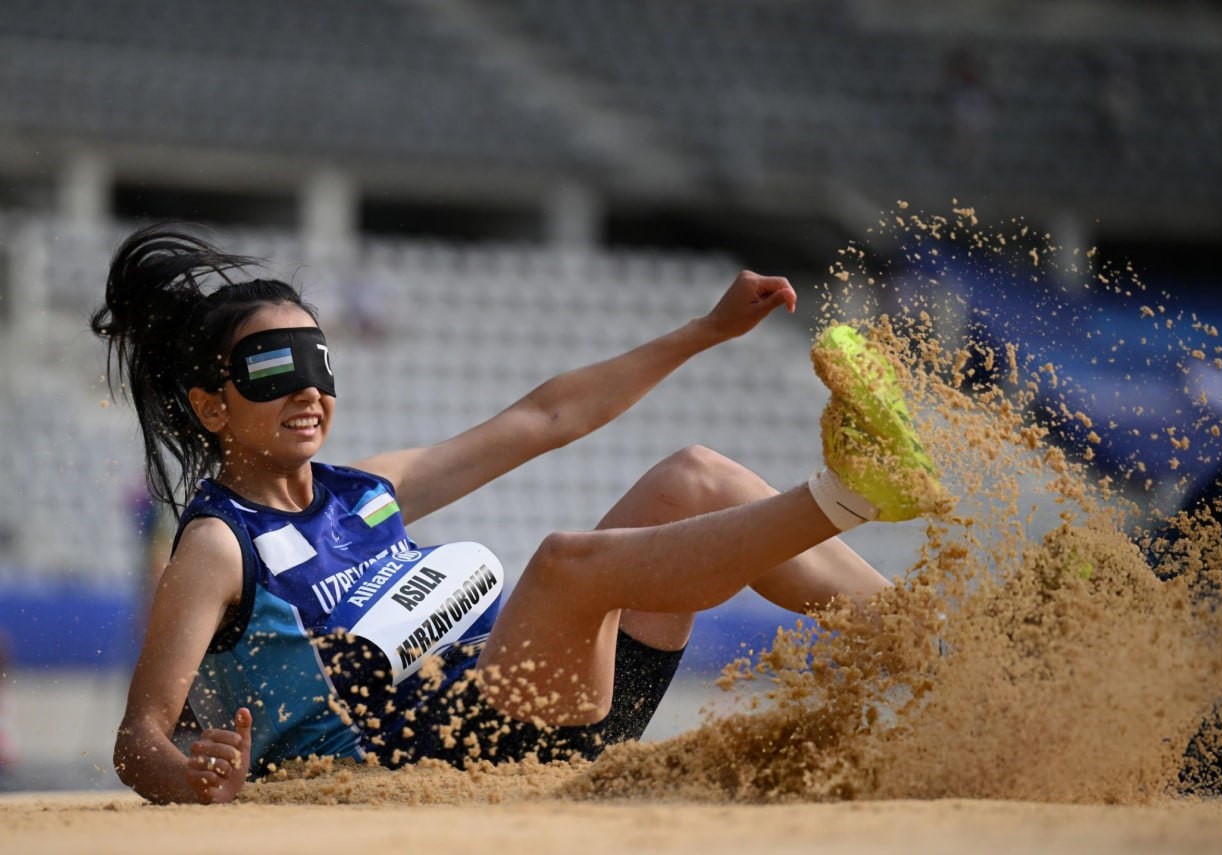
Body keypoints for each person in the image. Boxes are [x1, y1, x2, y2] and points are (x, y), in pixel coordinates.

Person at [93, 223, 946, 805]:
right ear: (212, 406)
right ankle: (852, 491)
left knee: (695, 475)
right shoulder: (216, 545)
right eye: (274, 370)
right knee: (568, 562)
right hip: (447, 755)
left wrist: (705, 331)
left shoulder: (363, 491)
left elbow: (544, 419)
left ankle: (946, 645)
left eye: (319, 362)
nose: (309, 390)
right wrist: (189, 777)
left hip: (548, 711)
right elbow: (140, 736)